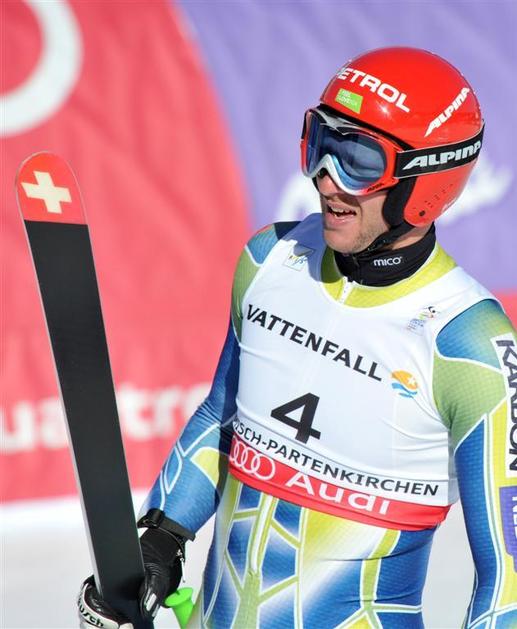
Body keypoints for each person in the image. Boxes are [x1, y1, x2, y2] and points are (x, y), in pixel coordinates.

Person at [78, 46, 517, 628]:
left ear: (426, 183)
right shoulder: (271, 259)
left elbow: (508, 581)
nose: (325, 178)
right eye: (320, 143)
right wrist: (160, 540)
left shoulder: (469, 344)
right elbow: (222, 418)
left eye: (357, 159)